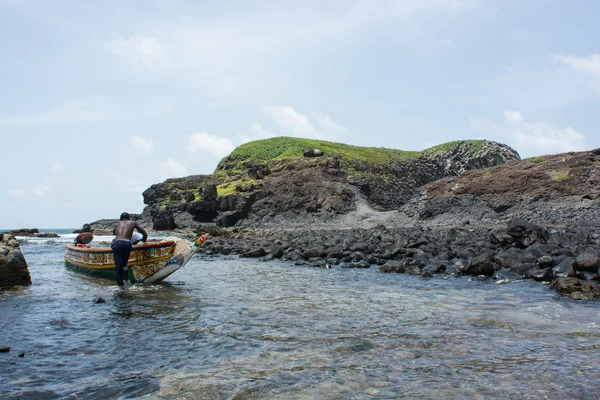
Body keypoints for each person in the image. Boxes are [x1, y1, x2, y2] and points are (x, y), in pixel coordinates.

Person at [112, 212, 147, 288]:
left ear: (121, 218)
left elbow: (114, 233)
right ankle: (126, 281)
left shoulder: (117, 224)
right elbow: (144, 233)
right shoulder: (133, 223)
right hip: (127, 244)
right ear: (129, 218)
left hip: (117, 243)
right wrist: (144, 241)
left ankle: (120, 286)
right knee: (125, 265)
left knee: (118, 266)